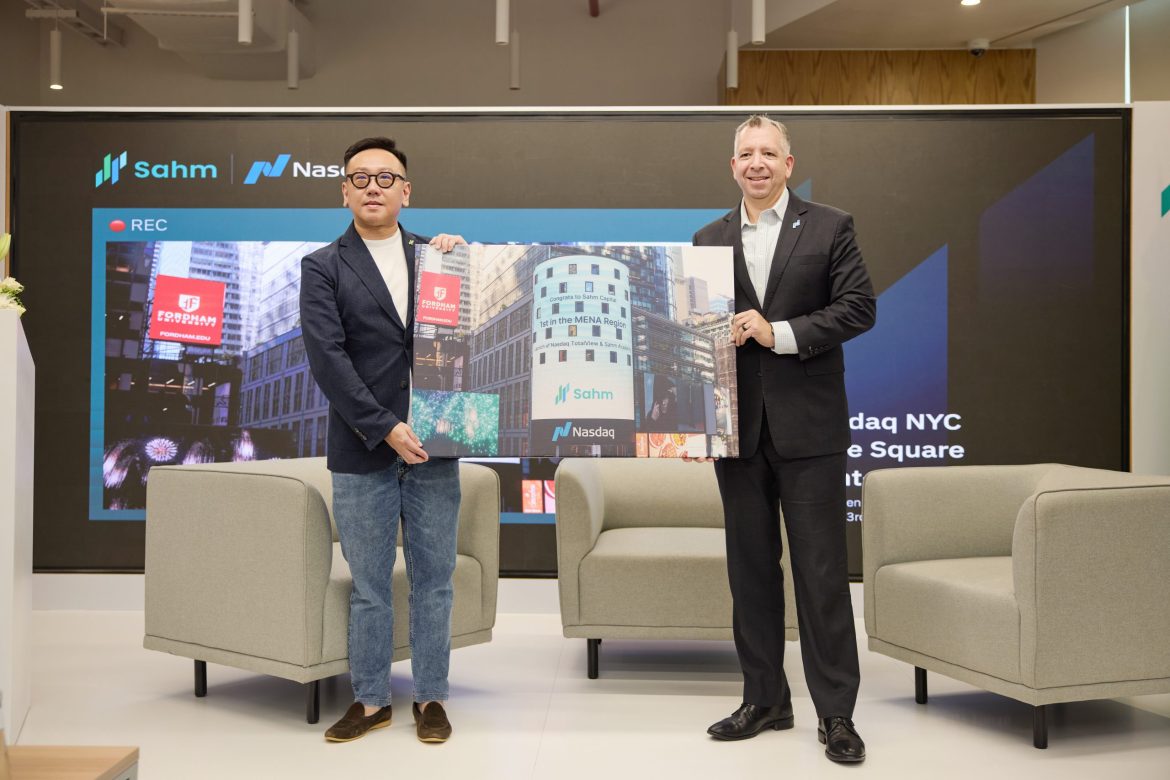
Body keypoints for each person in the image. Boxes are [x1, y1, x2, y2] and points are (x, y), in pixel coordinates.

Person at [691, 115, 876, 764]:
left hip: (811, 432)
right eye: (746, 153)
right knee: (751, 574)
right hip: (736, 432)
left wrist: (779, 332)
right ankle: (764, 698)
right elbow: (693, 336)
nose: (757, 163)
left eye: (769, 152)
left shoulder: (830, 226)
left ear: (789, 163)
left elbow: (858, 307)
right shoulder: (707, 239)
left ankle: (837, 715)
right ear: (732, 164)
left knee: (822, 575)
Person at [300, 136, 466, 744]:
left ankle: (431, 697)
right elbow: (328, 359)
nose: (374, 186)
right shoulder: (322, 266)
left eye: (386, 177)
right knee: (369, 585)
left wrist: (465, 264)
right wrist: (385, 427)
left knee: (435, 580)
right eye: (360, 177)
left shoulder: (438, 257)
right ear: (344, 190)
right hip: (364, 446)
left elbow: (466, 337)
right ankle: (370, 700)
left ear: (406, 191)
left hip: (433, 446)